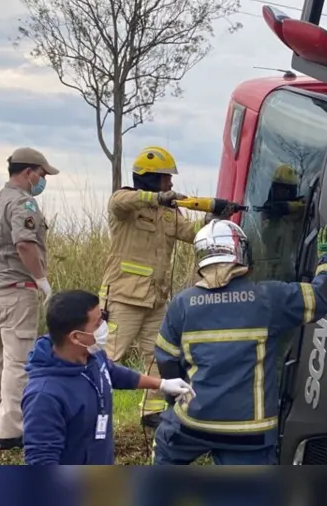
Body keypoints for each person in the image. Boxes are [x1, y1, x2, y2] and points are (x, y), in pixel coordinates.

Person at [151, 220, 327, 465]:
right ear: (243, 256)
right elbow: (322, 297)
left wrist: (176, 400)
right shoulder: (269, 298)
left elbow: (166, 359)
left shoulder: (182, 304)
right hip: (250, 432)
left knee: (166, 448)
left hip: (194, 423)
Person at [98, 146, 239, 429]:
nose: (171, 184)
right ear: (151, 179)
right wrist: (157, 198)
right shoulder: (126, 204)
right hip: (124, 298)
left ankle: (152, 412)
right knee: (107, 358)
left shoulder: (168, 213)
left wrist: (216, 218)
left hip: (155, 300)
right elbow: (119, 202)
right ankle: (88, 409)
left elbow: (193, 234)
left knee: (159, 357)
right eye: (166, 178)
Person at [22, 290, 193, 465]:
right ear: (75, 337)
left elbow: (112, 372)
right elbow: (41, 460)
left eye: (103, 316)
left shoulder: (92, 354)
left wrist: (161, 384)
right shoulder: (44, 396)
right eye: (97, 324)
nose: (105, 326)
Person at [0, 147, 59, 450]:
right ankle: (13, 429)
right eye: (42, 174)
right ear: (29, 172)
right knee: (20, 357)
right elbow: (25, 245)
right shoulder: (23, 202)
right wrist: (41, 280)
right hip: (15, 288)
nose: (42, 180)